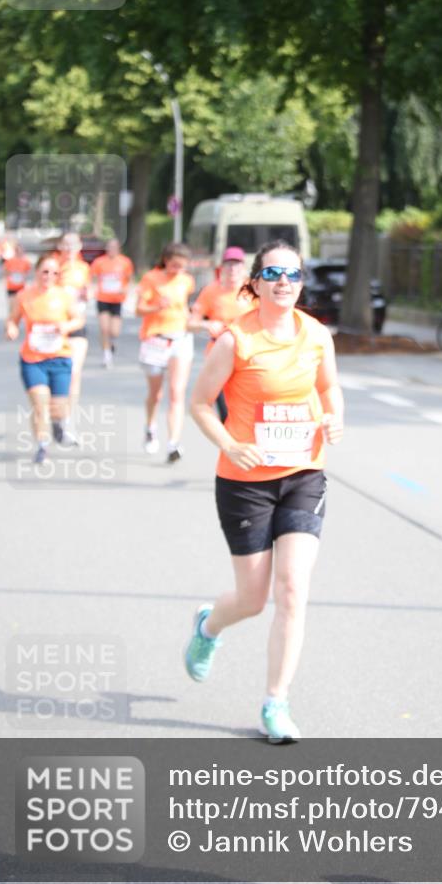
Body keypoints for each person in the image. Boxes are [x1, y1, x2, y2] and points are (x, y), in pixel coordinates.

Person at [187, 239, 344, 743]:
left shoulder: (316, 335)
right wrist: (231, 445)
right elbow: (200, 403)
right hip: (245, 483)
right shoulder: (235, 340)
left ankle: (276, 702)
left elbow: (329, 389)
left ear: (301, 282)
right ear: (255, 283)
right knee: (252, 599)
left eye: (293, 274)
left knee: (292, 589)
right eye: (273, 273)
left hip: (303, 474)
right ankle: (209, 626)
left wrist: (334, 418)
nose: (283, 282)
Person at [5, 253, 84, 464]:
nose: (49, 276)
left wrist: (66, 326)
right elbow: (12, 320)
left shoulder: (64, 296)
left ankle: (58, 424)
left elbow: (78, 319)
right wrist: (11, 329)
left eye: (54, 273)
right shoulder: (24, 296)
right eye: (45, 271)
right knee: (40, 404)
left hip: (60, 358)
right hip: (33, 359)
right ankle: (42, 446)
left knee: (58, 408)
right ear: (37, 272)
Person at [136, 243, 196, 462]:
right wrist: (156, 306)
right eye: (174, 265)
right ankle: (150, 427)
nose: (178, 270)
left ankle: (173, 443)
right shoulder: (151, 278)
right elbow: (138, 309)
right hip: (155, 340)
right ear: (165, 261)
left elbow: (186, 305)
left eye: (182, 266)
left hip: (180, 339)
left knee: (177, 392)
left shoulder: (187, 280)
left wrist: (191, 317)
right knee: (156, 394)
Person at [190, 245, 253, 420]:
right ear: (222, 267)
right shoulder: (211, 291)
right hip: (218, 353)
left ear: (243, 267)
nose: (232, 269)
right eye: (229, 264)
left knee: (247, 409)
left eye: (236, 265)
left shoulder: (253, 289)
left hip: (248, 353)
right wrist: (207, 324)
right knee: (226, 412)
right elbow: (191, 324)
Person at [56, 232, 91, 441]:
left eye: (73, 244)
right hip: (55, 326)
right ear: (60, 246)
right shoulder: (53, 267)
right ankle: (57, 415)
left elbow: (87, 292)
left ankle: (68, 421)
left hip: (76, 324)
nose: (69, 248)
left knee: (74, 372)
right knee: (57, 375)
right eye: (66, 244)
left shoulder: (83, 268)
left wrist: (86, 295)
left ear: (79, 247)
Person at [89, 238, 134, 367]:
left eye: (114, 247)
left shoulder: (125, 262)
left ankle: (111, 344)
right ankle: (106, 355)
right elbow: (93, 278)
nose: (112, 249)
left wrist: (125, 289)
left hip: (117, 300)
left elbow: (129, 278)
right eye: (110, 247)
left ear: (119, 248)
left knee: (114, 331)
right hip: (103, 298)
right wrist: (93, 290)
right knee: (104, 329)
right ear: (106, 248)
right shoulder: (99, 262)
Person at [3, 241, 33, 309]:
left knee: (20, 306)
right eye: (17, 250)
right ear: (15, 251)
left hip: (21, 287)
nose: (19, 252)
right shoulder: (10, 261)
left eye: (20, 251)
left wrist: (23, 276)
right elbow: (5, 272)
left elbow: (29, 272)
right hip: (11, 286)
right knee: (11, 305)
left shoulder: (26, 261)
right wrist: (11, 274)